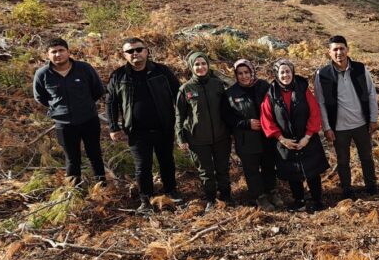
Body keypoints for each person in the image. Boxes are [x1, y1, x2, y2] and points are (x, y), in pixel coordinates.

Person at [107, 37, 180, 212]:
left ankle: (171, 191)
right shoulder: (118, 76)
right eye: (130, 51)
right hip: (136, 131)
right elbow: (111, 103)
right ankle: (146, 199)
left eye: (138, 49)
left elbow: (178, 96)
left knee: (167, 161)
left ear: (146, 51)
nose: (135, 54)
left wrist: (181, 122)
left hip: (164, 127)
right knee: (142, 167)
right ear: (124, 55)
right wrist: (113, 127)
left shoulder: (162, 72)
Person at [32, 38, 107, 186]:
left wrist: (85, 105)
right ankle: (74, 189)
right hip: (64, 124)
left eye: (61, 50)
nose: (58, 54)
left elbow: (98, 90)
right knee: (72, 158)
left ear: (68, 52)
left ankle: (102, 187)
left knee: (95, 154)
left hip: (89, 120)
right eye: (53, 52)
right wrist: (57, 107)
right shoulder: (42, 74)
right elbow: (40, 96)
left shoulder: (84, 68)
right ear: (47, 55)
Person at [314, 35, 378, 199]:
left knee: (367, 157)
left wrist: (373, 119)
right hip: (339, 128)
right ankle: (347, 189)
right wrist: (327, 127)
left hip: (361, 124)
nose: (339, 52)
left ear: (347, 50)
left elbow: (371, 94)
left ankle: (371, 186)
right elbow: (320, 103)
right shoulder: (322, 75)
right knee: (343, 161)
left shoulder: (360, 69)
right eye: (335, 49)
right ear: (329, 52)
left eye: (342, 48)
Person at [262, 59, 328, 212]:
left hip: (307, 138)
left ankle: (317, 200)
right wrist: (281, 139)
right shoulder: (271, 94)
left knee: (312, 171)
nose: (285, 75)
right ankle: (299, 201)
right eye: (282, 72)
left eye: (288, 71)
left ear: (292, 72)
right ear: (277, 75)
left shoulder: (302, 88)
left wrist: (308, 135)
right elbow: (266, 118)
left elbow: (315, 112)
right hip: (285, 141)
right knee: (293, 174)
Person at [175, 52, 232, 212]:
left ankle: (227, 197)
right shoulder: (185, 89)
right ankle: (211, 199)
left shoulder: (217, 84)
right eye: (197, 64)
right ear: (191, 67)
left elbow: (226, 110)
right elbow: (179, 115)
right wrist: (180, 137)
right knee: (205, 171)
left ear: (208, 65)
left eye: (203, 63)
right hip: (197, 139)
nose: (201, 67)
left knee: (222, 168)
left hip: (221, 136)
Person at [223, 59, 282, 210]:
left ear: (252, 72)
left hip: (266, 136)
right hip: (246, 139)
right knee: (252, 170)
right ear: (236, 75)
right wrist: (246, 123)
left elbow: (275, 106)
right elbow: (227, 117)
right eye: (240, 73)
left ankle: (272, 192)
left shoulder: (263, 86)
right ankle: (259, 197)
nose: (244, 76)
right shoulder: (231, 93)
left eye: (246, 72)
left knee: (269, 166)